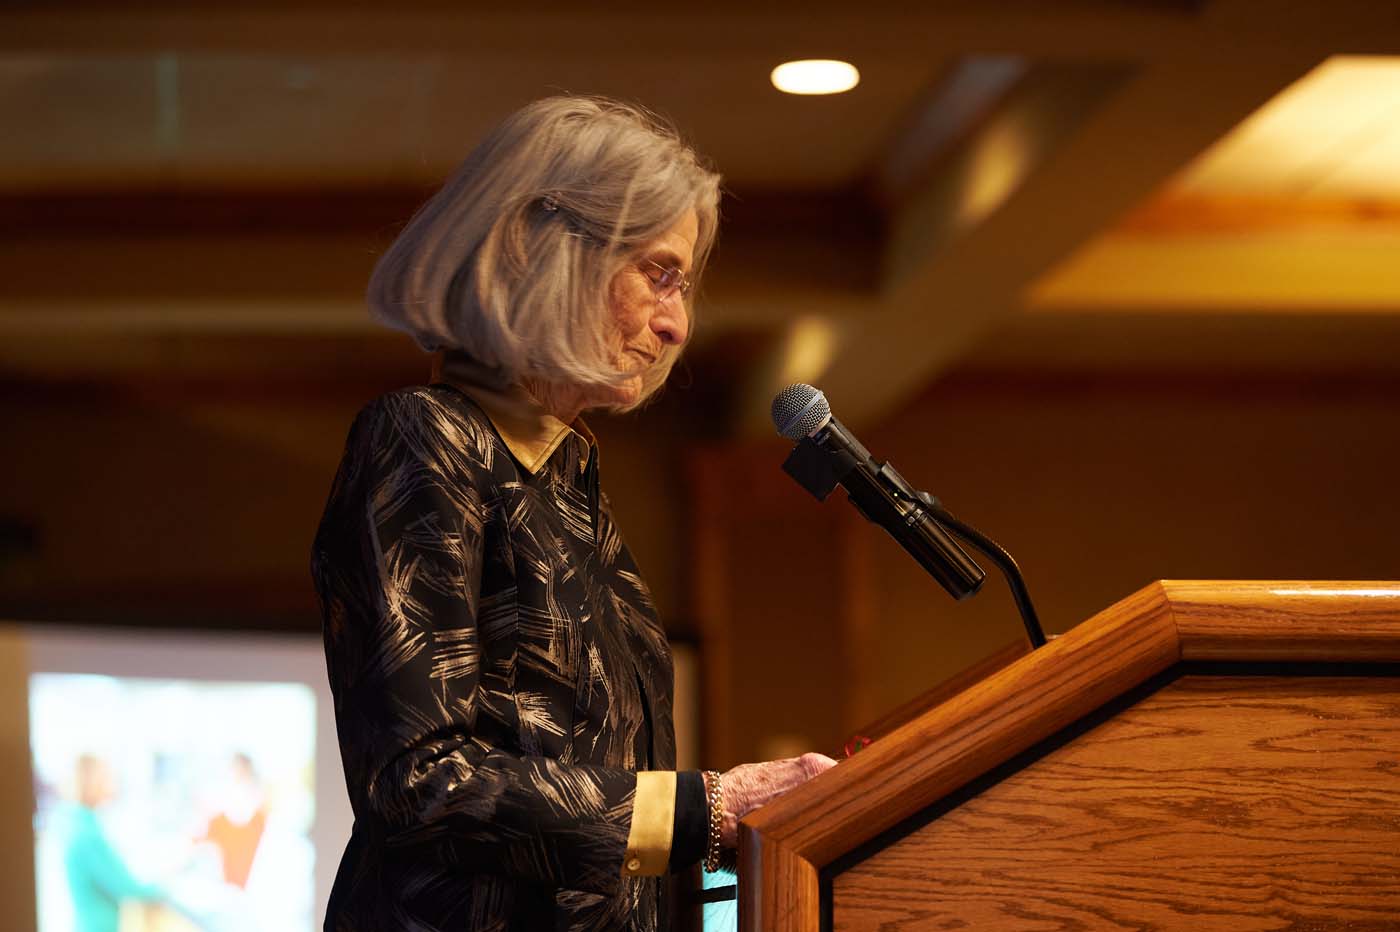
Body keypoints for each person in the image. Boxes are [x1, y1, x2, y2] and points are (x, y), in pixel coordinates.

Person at [311, 96, 836, 932]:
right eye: (659, 275)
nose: (677, 325)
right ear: (542, 251)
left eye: (685, 287)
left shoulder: (567, 478)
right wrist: (703, 810)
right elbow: (419, 780)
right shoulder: (424, 438)